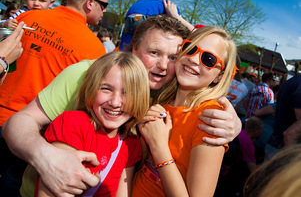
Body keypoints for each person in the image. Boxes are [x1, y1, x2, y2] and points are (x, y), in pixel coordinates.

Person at [3, 15, 241, 197]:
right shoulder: (87, 73)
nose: (162, 66)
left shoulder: (162, 96)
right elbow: (19, 122)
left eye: (171, 57)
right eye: (154, 52)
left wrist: (235, 125)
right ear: (133, 49)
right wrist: (44, 156)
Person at [0, 0, 107, 195]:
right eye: (104, 6)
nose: (104, 12)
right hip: (31, 134)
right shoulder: (94, 48)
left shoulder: (28, 17)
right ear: (90, 3)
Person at [132, 26, 236, 196]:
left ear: (219, 76)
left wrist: (159, 148)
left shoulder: (211, 119)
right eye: (191, 48)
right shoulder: (162, 100)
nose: (194, 59)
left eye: (208, 59)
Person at [37, 51, 150, 197]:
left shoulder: (130, 142)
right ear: (91, 88)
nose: (115, 102)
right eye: (106, 88)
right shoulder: (72, 124)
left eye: (127, 93)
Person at [266, 74, 301, 159]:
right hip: (283, 150)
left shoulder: (293, 81)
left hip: (276, 144)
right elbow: (292, 133)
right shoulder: (298, 85)